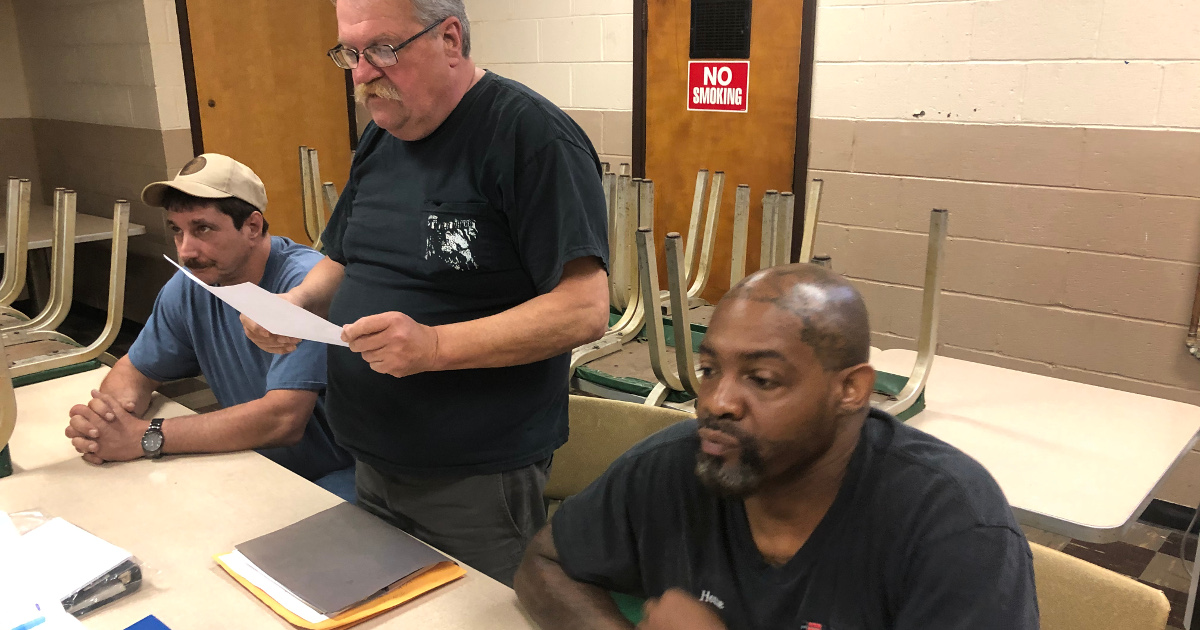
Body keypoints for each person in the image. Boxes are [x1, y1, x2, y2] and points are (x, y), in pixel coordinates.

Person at [242, 0, 609, 585]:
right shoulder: (384, 132)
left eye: (384, 49)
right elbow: (345, 255)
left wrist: (435, 347)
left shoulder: (531, 137)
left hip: (475, 475)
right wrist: (299, 302)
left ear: (451, 40)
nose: (362, 74)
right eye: (351, 54)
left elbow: (583, 308)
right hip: (371, 453)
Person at [514, 265, 1040, 629]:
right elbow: (544, 565)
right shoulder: (672, 465)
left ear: (850, 390)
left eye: (762, 379)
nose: (716, 401)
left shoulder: (950, 523)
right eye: (708, 369)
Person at [64, 153, 356, 501]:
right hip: (257, 465)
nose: (186, 250)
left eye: (202, 229)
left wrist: (146, 436)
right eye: (177, 230)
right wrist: (108, 421)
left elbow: (282, 419)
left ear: (252, 226)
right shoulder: (193, 283)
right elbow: (133, 371)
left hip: (342, 477)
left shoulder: (306, 288)